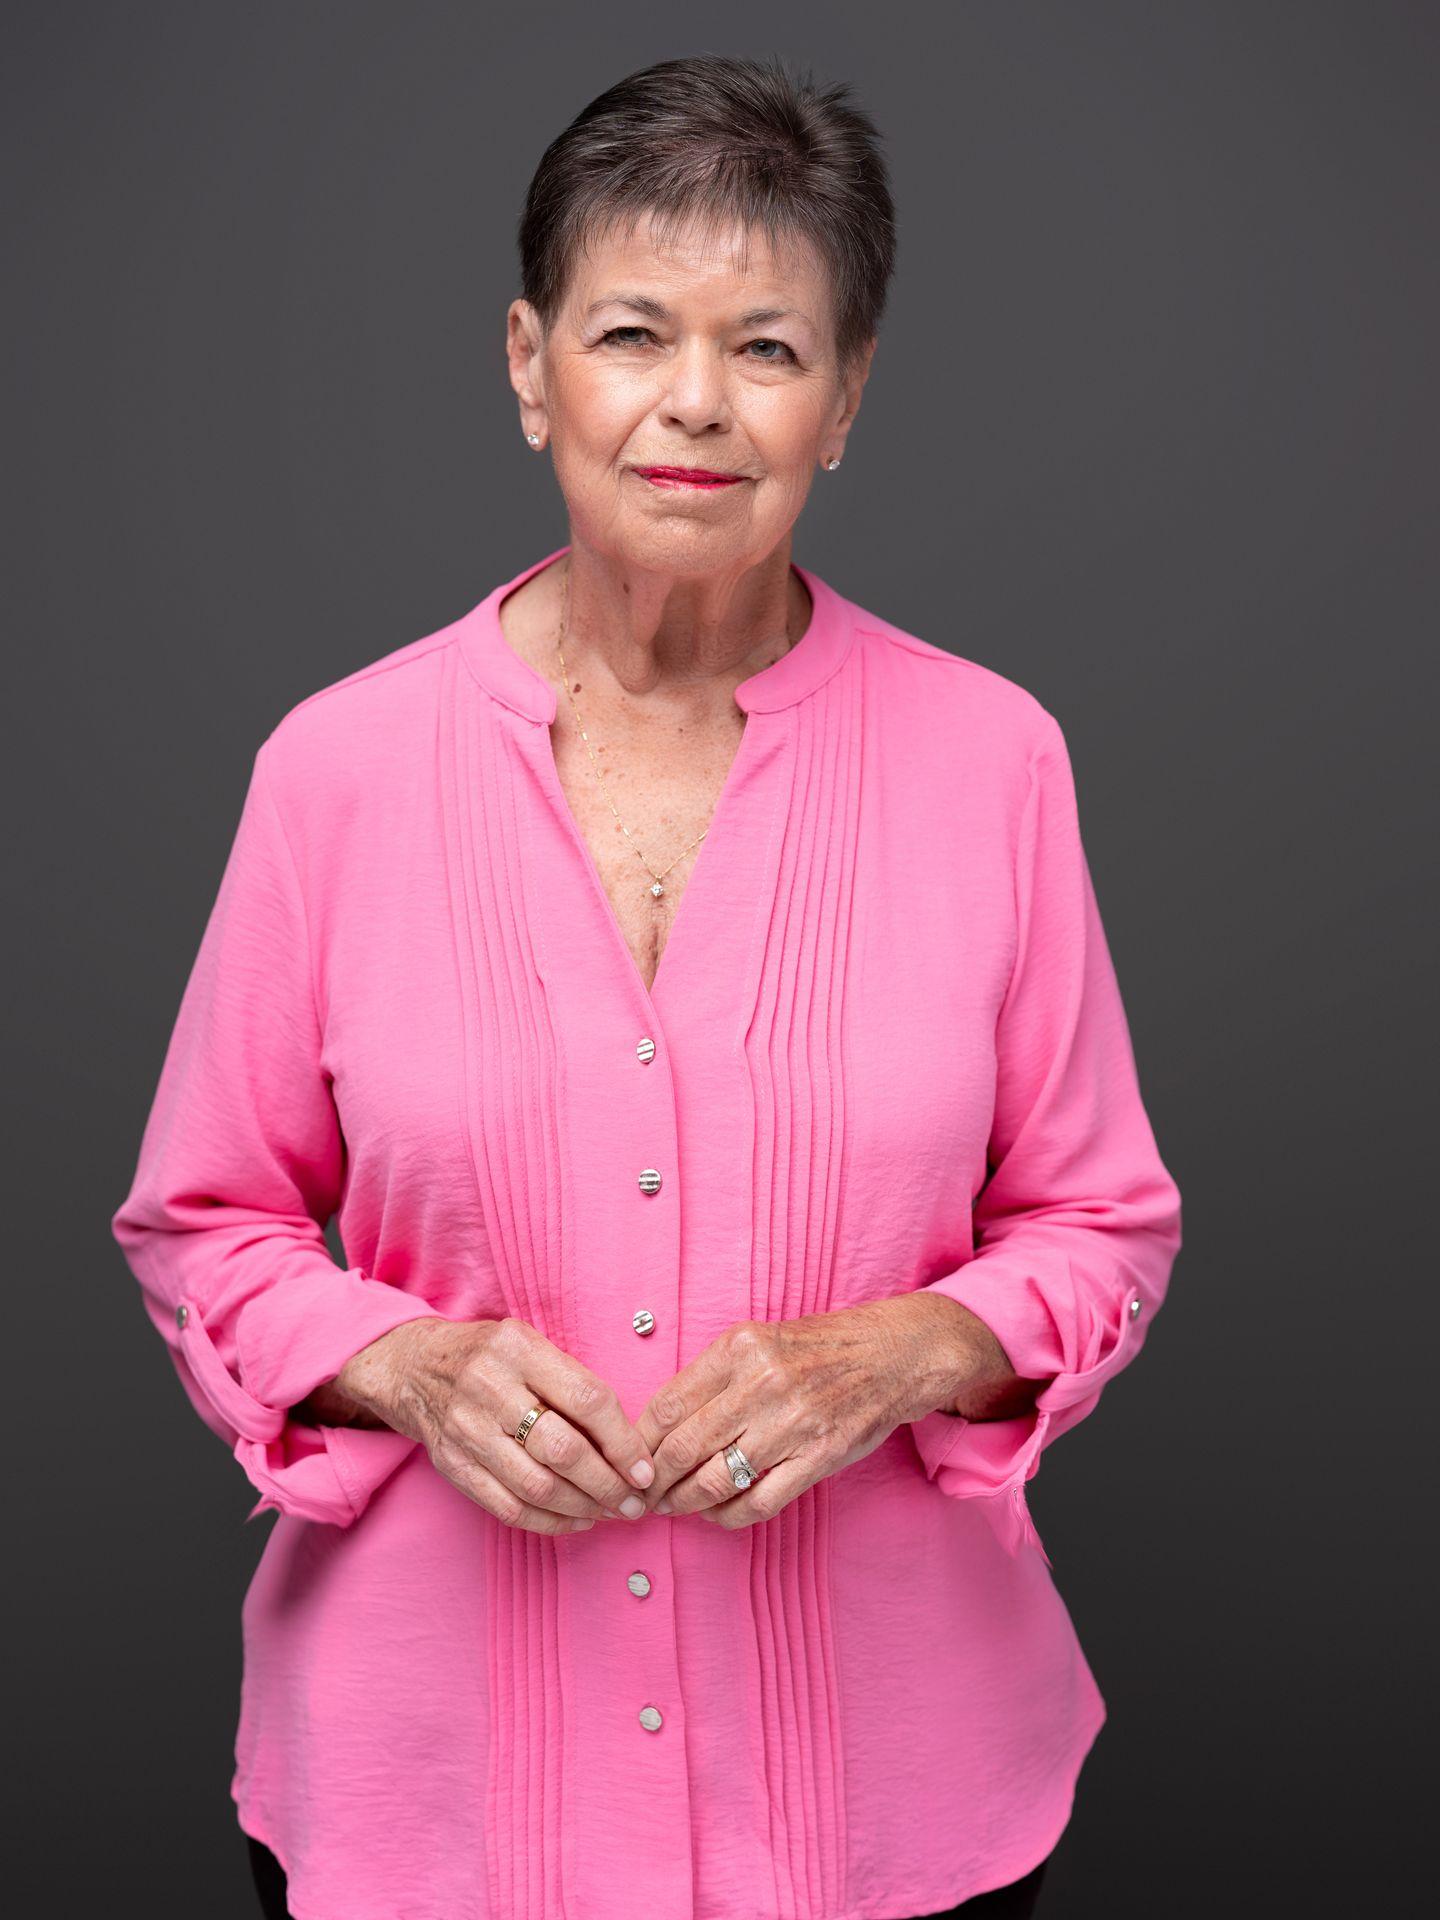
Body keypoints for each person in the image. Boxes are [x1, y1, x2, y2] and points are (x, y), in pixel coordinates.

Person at [111, 52, 1182, 1920]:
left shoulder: (996, 759)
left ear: (845, 400)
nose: (696, 404)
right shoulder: (334, 771)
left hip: (893, 1809)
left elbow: (1103, 1222)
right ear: (530, 361)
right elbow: (205, 1222)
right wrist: (400, 1361)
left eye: (770, 348)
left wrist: (906, 1351)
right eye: (631, 333)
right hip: (425, 1805)